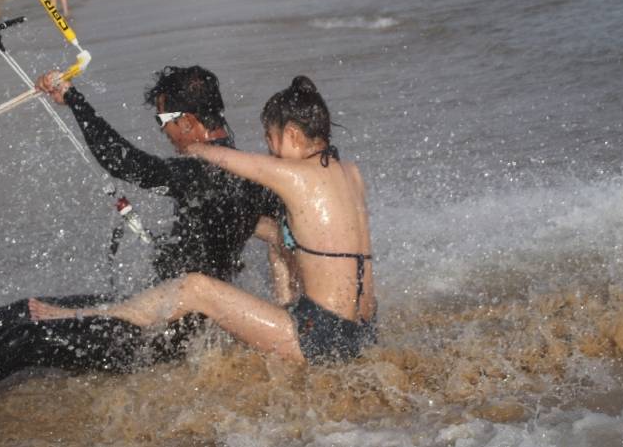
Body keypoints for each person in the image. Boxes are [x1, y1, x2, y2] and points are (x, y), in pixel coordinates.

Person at [0, 66, 282, 427]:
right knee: (27, 310)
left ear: (188, 121)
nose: (164, 133)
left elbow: (123, 161)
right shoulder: (250, 173)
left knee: (27, 339)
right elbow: (281, 235)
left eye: (163, 122)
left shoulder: (206, 172)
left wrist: (77, 101)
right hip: (157, 312)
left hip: (159, 335)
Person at [29, 76, 377, 366]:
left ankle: (89, 315)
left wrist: (198, 151)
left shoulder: (294, 175)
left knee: (196, 287)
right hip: (364, 331)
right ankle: (285, 322)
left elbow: (241, 163)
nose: (270, 150)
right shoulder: (352, 173)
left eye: (271, 139)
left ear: (294, 136)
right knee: (278, 239)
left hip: (321, 337)